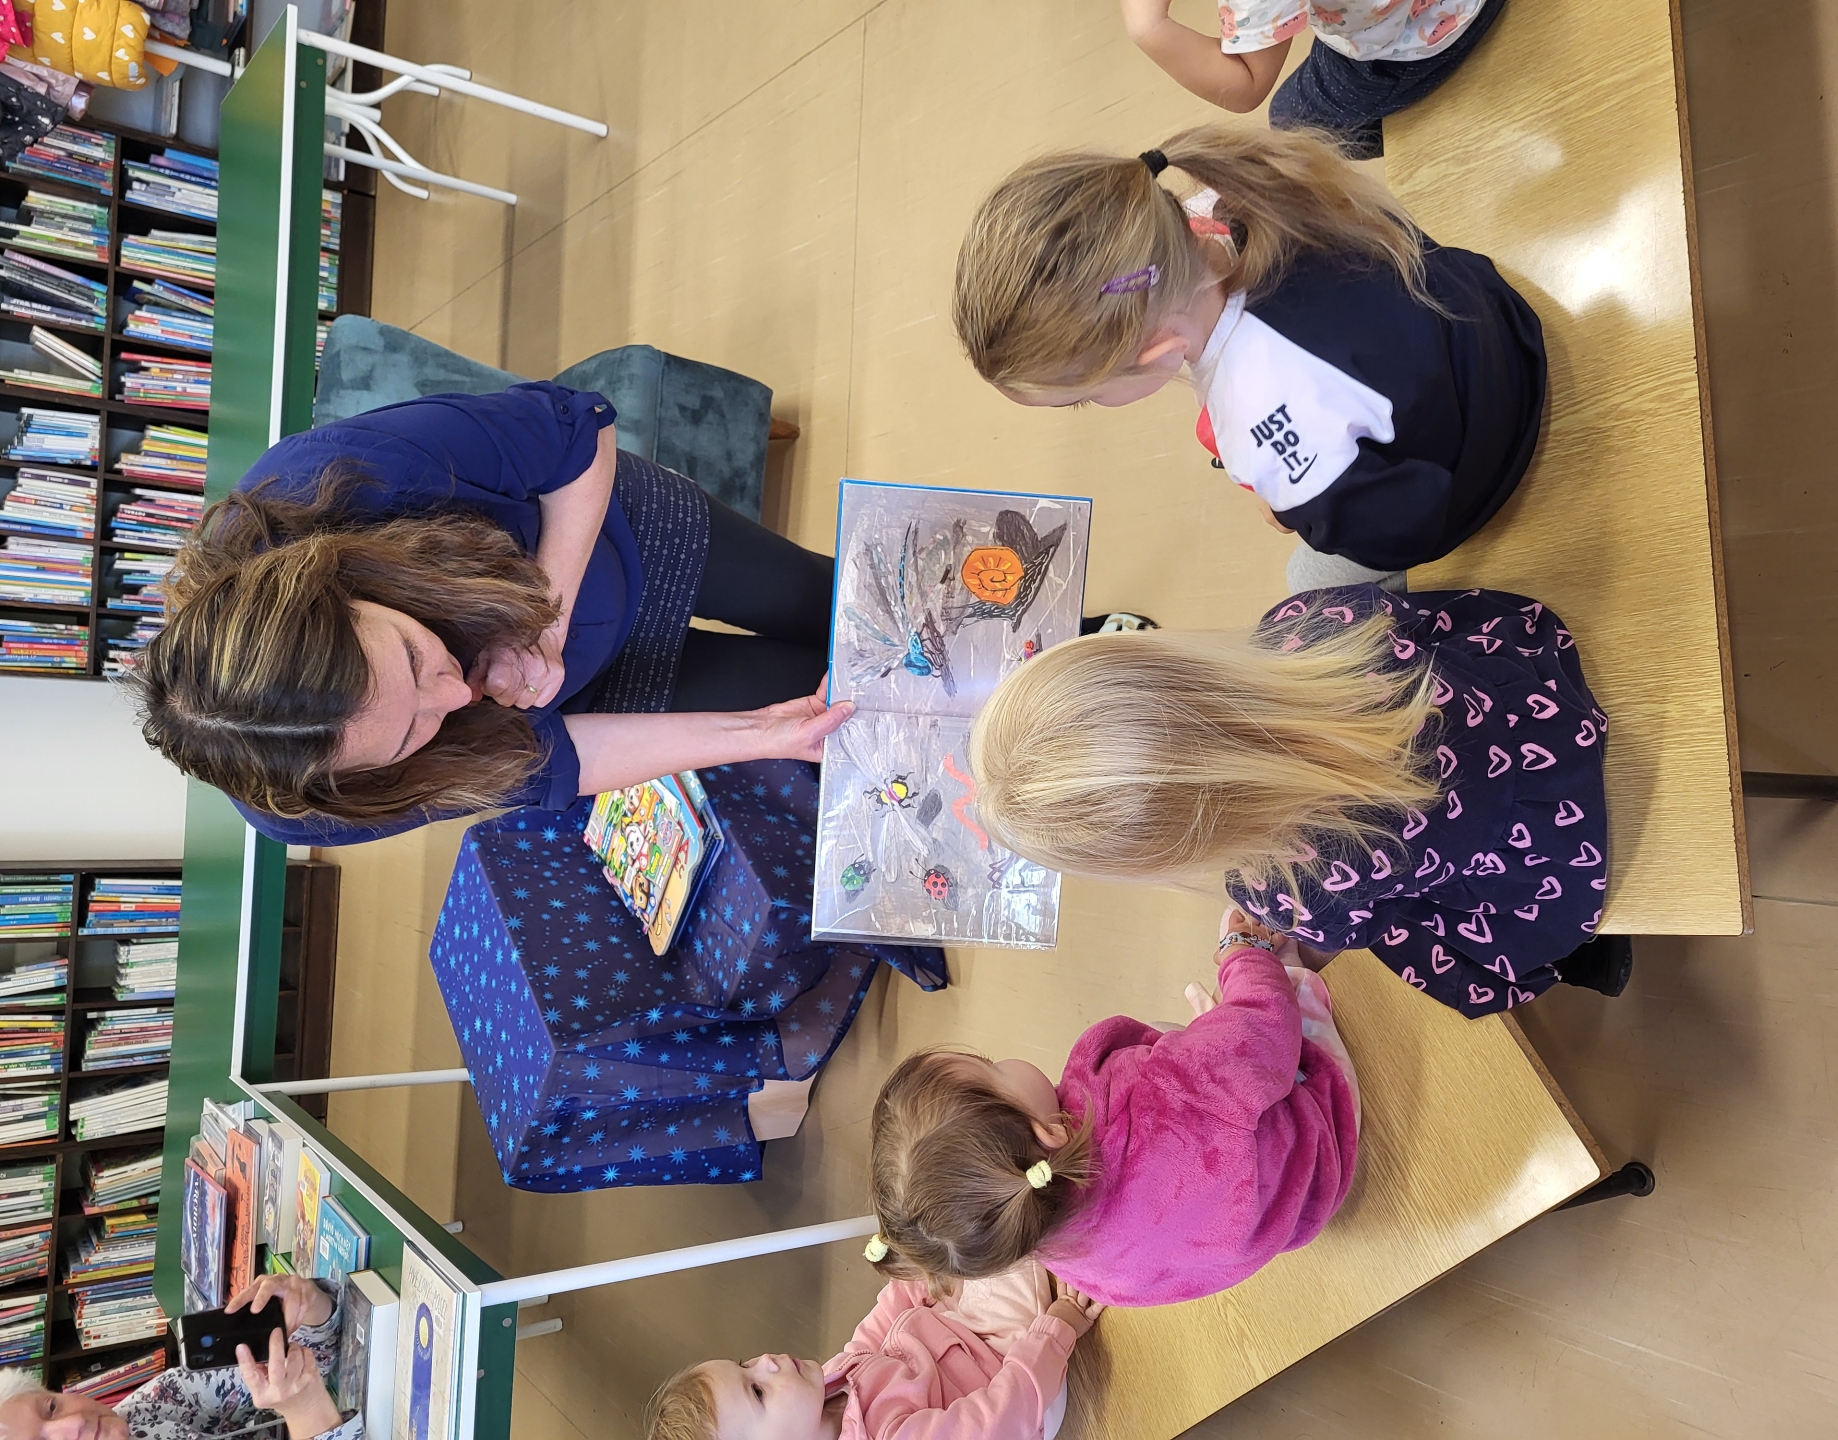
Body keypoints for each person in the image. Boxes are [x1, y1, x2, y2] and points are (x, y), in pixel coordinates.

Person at [129, 384, 852, 844]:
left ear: (339, 588)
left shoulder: (333, 479)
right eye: (410, 732)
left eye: (413, 657)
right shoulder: (309, 803)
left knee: (835, 606)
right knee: (831, 711)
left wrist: (544, 620)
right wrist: (762, 734)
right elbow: (545, 760)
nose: (455, 696)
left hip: (617, 534)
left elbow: (580, 430)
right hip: (594, 701)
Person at [968, 585, 1632, 1018]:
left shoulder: (1281, 887)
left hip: (1546, 857)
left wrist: (1281, 951)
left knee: (1406, 940)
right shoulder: (1300, 626)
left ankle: (1576, 956)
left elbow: (1351, 928)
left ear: (1160, 851)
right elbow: (1412, 620)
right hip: (1538, 700)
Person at [951, 125, 1546, 595]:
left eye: (1085, 398)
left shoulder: (1254, 429)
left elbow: (1403, 532)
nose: (1093, 404)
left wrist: (1288, 511)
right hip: (1489, 314)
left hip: (1491, 444)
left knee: (1305, 586)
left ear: (1159, 350)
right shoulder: (1241, 191)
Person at [863, 908, 1358, 1307]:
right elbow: (1261, 1034)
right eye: (992, 1067)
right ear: (1047, 1133)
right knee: (1264, 975)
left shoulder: (1039, 1232)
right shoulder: (1146, 1097)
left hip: (1272, 1229)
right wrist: (1242, 955)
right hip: (1317, 1155)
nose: (1001, 1059)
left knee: (1207, 1059)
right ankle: (1279, 962)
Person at [643, 1258, 1100, 1440]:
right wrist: (1054, 1334)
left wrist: (916, 1273)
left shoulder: (824, 1389)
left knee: (951, 1215)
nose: (766, 1362)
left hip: (954, 1333)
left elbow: (877, 1332)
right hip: (1009, 1378)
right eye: (757, 1391)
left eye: (745, 1364)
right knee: (1008, 1243)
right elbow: (994, 1422)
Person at [1119, 0, 1508, 161]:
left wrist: (1149, 28)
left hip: (1436, 28)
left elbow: (1246, 85)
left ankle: (1427, 134)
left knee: (1293, 122)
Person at [0, 1274, 355, 1440]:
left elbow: (307, 1356)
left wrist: (307, 1307)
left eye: (51, 1408)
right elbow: (306, 1399)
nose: (74, 1424)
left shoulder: (145, 1410)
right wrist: (308, 1411)